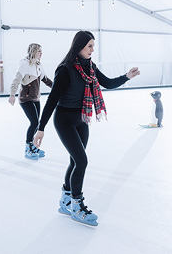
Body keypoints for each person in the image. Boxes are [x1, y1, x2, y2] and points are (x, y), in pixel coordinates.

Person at [33, 31, 140, 226]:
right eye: (89, 46)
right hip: (64, 119)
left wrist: (127, 76)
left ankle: (65, 201)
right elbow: (52, 100)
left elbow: (106, 83)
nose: (92, 49)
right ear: (79, 46)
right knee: (81, 161)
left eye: (93, 46)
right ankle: (76, 206)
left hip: (82, 119)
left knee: (75, 161)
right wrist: (40, 128)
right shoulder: (65, 70)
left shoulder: (90, 67)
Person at [8, 43, 53, 160]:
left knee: (37, 123)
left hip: (36, 98)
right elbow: (17, 79)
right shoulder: (24, 64)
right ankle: (28, 148)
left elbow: (45, 80)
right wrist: (12, 94)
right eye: (39, 51)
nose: (41, 53)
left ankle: (33, 146)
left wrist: (57, 88)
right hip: (26, 99)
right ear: (33, 51)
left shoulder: (39, 64)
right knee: (33, 122)